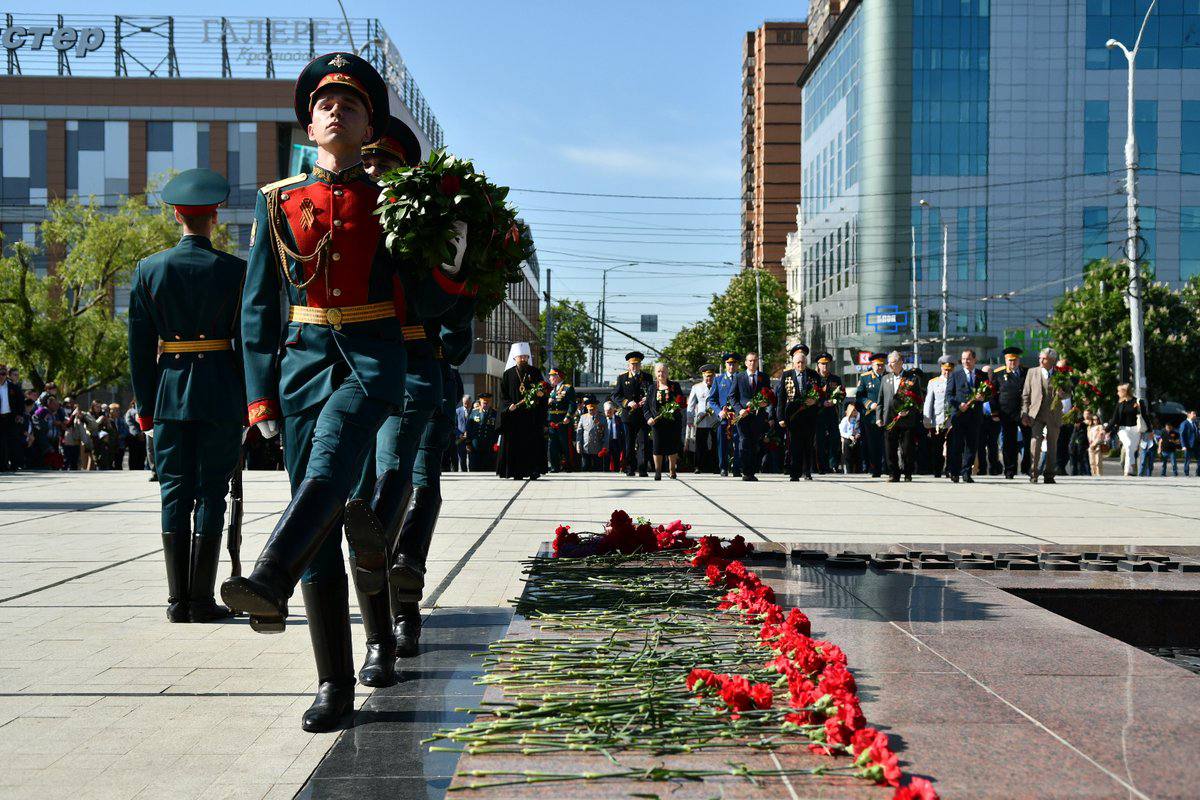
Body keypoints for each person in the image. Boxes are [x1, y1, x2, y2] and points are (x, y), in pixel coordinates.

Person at [221, 53, 423, 732]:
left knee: (333, 467)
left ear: (370, 128)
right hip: (302, 364)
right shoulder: (277, 201)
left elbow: (432, 295)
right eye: (326, 102)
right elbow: (257, 308)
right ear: (308, 121)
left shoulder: (396, 200)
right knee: (330, 516)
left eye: (353, 104)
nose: (337, 110)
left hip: (371, 359)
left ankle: (270, 577)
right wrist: (260, 399)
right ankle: (335, 682)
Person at [127, 167, 247, 624]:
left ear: (177, 214)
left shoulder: (148, 270)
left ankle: (177, 601)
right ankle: (201, 599)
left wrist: (145, 409)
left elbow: (139, 350)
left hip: (170, 394)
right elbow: (246, 342)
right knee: (213, 491)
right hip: (219, 392)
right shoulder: (236, 271)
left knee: (173, 492)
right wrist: (248, 401)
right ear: (214, 216)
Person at [497, 342, 547, 480]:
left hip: (531, 417)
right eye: (521, 357)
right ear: (515, 358)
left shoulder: (535, 372)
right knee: (515, 445)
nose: (523, 359)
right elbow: (503, 395)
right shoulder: (507, 374)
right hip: (514, 418)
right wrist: (508, 405)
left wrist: (541, 395)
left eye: (525, 356)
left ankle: (533, 471)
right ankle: (515, 471)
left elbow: (542, 389)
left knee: (532, 444)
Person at [1021, 347, 1066, 484]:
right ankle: (1034, 474)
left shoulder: (1061, 374)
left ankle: (1049, 475)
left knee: (1052, 445)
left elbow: (1070, 391)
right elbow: (1025, 395)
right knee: (1035, 442)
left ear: (1052, 360)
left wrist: (1064, 394)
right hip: (1036, 414)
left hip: (1053, 414)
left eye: (1044, 358)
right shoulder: (1032, 372)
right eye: (1040, 357)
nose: (1040, 360)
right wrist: (1024, 413)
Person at [775, 344, 819, 481]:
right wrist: (780, 417)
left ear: (806, 362)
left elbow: (820, 394)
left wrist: (815, 401)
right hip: (793, 416)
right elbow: (781, 397)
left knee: (808, 444)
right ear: (794, 364)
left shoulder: (813, 375)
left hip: (809, 415)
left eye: (803, 362)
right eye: (798, 362)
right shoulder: (787, 375)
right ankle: (795, 473)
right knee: (795, 445)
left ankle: (807, 472)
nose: (801, 364)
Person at [877, 351, 923, 482]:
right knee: (889, 448)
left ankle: (908, 473)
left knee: (907, 448)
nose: (891, 365)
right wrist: (879, 417)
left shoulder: (912, 378)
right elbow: (881, 400)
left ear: (901, 362)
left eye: (894, 362)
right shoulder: (886, 378)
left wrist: (908, 410)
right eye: (890, 362)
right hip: (889, 419)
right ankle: (893, 473)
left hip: (906, 419)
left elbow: (919, 400)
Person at [944, 349, 987, 483]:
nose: (965, 361)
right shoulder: (955, 375)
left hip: (975, 417)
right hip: (959, 416)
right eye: (963, 359)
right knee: (957, 445)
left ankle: (966, 472)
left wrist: (983, 397)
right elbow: (949, 395)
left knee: (972, 445)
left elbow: (989, 394)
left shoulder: (982, 375)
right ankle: (955, 472)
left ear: (974, 360)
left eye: (968, 359)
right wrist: (958, 405)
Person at [610, 351, 652, 477]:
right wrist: (627, 402)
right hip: (629, 416)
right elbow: (615, 395)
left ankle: (643, 468)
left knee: (644, 442)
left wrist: (647, 398)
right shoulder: (622, 378)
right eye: (632, 364)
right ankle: (630, 468)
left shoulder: (647, 377)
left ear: (640, 364)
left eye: (637, 364)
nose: (634, 366)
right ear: (628, 365)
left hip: (644, 415)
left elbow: (652, 392)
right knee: (629, 443)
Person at [991, 347, 1030, 479]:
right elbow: (993, 394)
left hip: (1025, 412)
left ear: (1019, 360)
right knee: (1009, 443)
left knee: (1028, 440)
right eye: (1009, 360)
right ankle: (1010, 469)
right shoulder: (999, 374)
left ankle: (1027, 467)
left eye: (1014, 360)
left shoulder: (1027, 372)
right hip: (1006, 412)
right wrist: (995, 412)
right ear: (1005, 360)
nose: (1012, 363)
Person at [732, 352, 770, 482]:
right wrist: (739, 409)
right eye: (750, 361)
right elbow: (732, 397)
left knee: (754, 444)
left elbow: (768, 395)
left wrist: (766, 403)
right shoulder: (739, 377)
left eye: (755, 361)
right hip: (743, 416)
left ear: (758, 362)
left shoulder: (764, 377)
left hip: (757, 416)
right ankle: (745, 471)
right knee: (744, 442)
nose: (752, 363)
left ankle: (751, 471)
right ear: (746, 363)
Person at [645, 362, 684, 480]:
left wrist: (674, 408)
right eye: (658, 371)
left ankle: (672, 469)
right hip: (657, 423)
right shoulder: (652, 388)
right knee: (657, 446)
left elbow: (680, 401)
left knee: (672, 446)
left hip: (673, 422)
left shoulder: (674, 386)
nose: (661, 373)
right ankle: (658, 471)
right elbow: (646, 406)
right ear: (655, 373)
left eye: (663, 371)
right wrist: (648, 418)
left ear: (667, 373)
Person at [708, 353, 741, 477]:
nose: (731, 366)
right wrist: (719, 411)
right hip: (724, 417)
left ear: (738, 365)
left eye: (734, 363)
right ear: (725, 365)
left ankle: (737, 467)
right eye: (729, 363)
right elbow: (711, 400)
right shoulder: (718, 379)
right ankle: (723, 467)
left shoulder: (741, 378)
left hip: (737, 416)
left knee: (738, 441)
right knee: (722, 442)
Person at [855, 353, 887, 477]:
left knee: (886, 443)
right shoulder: (865, 377)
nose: (880, 367)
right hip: (871, 416)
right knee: (872, 444)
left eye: (882, 365)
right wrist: (869, 404)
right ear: (872, 365)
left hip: (886, 416)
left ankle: (887, 467)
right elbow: (859, 396)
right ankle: (874, 468)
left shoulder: (889, 377)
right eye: (878, 365)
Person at [1106, 383, 1148, 477]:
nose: (1117, 393)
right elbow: (1114, 419)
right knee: (1128, 445)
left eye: (1119, 391)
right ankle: (1128, 470)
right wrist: (1105, 430)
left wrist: (1150, 430)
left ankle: (1130, 471)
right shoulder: (1120, 404)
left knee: (1131, 451)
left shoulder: (1138, 401)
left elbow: (1145, 416)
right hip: (1123, 429)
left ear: (1124, 392)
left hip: (1136, 430)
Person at [922, 355, 954, 477]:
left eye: (949, 369)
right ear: (941, 368)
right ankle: (937, 470)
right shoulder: (933, 382)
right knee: (937, 448)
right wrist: (927, 420)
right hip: (938, 421)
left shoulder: (956, 381)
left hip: (952, 421)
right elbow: (929, 402)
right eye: (945, 369)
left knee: (952, 446)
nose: (947, 372)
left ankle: (950, 469)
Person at [812, 352, 843, 473]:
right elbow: (811, 395)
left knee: (834, 439)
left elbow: (842, 394)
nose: (824, 366)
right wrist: (821, 402)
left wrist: (834, 401)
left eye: (826, 364)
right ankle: (820, 466)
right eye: (822, 364)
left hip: (831, 413)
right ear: (818, 365)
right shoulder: (814, 378)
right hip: (818, 413)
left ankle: (833, 464)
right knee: (819, 441)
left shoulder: (835, 379)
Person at [687, 364, 718, 474]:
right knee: (700, 444)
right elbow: (691, 404)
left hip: (715, 419)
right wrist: (690, 419)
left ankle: (715, 466)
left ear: (714, 376)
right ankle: (698, 466)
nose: (709, 378)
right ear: (703, 376)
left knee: (716, 443)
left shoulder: (718, 386)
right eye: (706, 376)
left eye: (710, 376)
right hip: (701, 420)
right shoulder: (697, 387)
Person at [545, 367, 576, 473]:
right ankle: (555, 466)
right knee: (552, 444)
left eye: (551, 376)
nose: (549, 378)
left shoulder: (568, 388)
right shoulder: (551, 390)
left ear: (557, 376)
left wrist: (568, 416)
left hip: (563, 421)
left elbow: (572, 404)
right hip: (552, 421)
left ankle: (569, 465)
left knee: (565, 444)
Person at [466, 393, 499, 471]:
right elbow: (469, 429)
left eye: (487, 403)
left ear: (490, 403)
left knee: (489, 469)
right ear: (480, 402)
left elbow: (498, 430)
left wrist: (497, 444)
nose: (485, 404)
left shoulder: (495, 413)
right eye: (484, 403)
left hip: (489, 447)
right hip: (475, 447)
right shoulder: (474, 413)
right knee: (475, 469)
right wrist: (468, 443)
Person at [575, 396, 607, 471]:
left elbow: (606, 433)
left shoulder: (602, 418)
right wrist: (578, 444)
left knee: (597, 469)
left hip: (598, 448)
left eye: (593, 409)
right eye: (589, 410)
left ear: (596, 409)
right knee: (585, 467)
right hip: (586, 448)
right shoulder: (583, 417)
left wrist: (605, 447)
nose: (591, 411)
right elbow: (579, 433)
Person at [602, 401, 624, 472]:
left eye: (610, 411)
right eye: (606, 411)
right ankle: (605, 473)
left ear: (613, 410)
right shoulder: (602, 419)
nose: (608, 413)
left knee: (616, 458)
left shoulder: (619, 419)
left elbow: (622, 430)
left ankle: (617, 471)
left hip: (616, 441)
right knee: (606, 459)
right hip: (605, 442)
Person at [839, 405, 861, 473]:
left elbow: (859, 429)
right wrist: (849, 436)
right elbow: (842, 431)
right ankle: (849, 471)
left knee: (857, 456)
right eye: (853, 410)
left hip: (856, 438)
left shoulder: (857, 419)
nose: (855, 412)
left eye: (855, 410)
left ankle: (857, 471)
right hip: (848, 438)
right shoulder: (845, 420)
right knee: (848, 456)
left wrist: (858, 434)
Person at [1086, 411, 1108, 477]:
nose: (1095, 421)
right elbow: (1088, 436)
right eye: (1094, 419)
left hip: (1097, 445)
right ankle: (1093, 474)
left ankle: (1099, 474)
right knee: (1092, 462)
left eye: (1096, 419)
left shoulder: (1100, 426)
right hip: (1090, 445)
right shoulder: (1089, 427)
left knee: (1098, 462)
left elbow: (1101, 436)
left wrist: (1094, 444)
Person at [125, 404, 147, 472]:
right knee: (133, 455)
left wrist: (143, 433)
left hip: (143, 436)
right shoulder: (130, 411)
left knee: (142, 455)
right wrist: (137, 434)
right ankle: (133, 469)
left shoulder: (143, 410)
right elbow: (130, 424)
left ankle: (141, 468)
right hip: (134, 437)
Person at [108, 402, 129, 469]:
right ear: (110, 411)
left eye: (118, 410)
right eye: (115, 410)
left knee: (119, 463)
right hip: (111, 445)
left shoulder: (121, 420)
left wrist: (120, 436)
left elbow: (126, 431)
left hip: (120, 444)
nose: (117, 412)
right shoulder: (107, 421)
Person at [454, 394, 471, 472]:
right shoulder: (457, 411)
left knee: (471, 457)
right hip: (460, 439)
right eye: (465, 403)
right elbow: (454, 425)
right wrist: (459, 434)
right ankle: (464, 472)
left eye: (468, 403)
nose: (466, 405)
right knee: (462, 457)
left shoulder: (474, 411)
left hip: (471, 438)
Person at [1182, 410, 1198, 477]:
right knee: (1187, 460)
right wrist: (1183, 445)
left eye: (1195, 414)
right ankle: (1186, 474)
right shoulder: (1184, 423)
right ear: (1188, 415)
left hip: (1196, 445)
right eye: (1193, 414)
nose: (1195, 415)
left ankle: (1198, 473)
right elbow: (1182, 435)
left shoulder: (1195, 423)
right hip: (1188, 445)